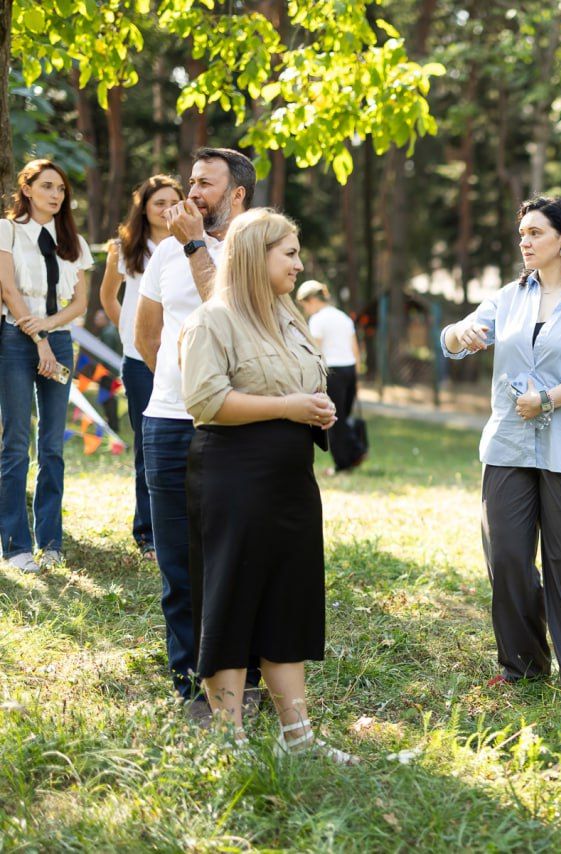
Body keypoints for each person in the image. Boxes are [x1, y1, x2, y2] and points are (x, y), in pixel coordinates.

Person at [180, 208, 353, 762]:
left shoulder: (288, 314)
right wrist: (287, 406)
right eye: (290, 254)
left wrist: (316, 409)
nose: (299, 265)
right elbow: (205, 402)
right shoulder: (214, 320)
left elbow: (305, 381)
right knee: (230, 602)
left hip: (290, 481)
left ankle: (298, 741)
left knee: (289, 604)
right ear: (256, 255)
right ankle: (229, 744)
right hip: (233, 479)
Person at [441, 196, 561, 699]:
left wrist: (545, 400)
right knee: (508, 557)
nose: (525, 241)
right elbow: (453, 339)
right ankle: (523, 666)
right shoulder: (508, 296)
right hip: (508, 446)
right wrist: (460, 333)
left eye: (536, 233)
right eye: (522, 234)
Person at [134, 147, 258, 720]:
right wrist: (177, 381)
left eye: (205, 184)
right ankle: (191, 689)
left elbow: (233, 318)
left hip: (231, 426)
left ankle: (245, 681)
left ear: (236, 194)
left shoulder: (253, 248)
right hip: (166, 420)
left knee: (236, 560)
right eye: (191, 181)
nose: (192, 192)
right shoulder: (163, 249)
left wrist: (193, 245)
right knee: (178, 567)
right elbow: (146, 336)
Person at [0, 159, 93, 573]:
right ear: (28, 187)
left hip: (58, 338)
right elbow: (7, 287)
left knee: (52, 446)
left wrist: (50, 330)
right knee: (16, 443)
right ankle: (15, 545)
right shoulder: (7, 230)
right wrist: (37, 338)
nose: (56, 195)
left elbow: (80, 303)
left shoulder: (73, 239)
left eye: (61, 190)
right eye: (48, 186)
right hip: (15, 339)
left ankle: (50, 540)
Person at [100, 174, 185, 559]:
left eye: (174, 201)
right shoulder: (124, 248)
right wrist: (130, 331)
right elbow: (108, 297)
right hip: (139, 362)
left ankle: (185, 525)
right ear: (144, 207)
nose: (167, 209)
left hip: (182, 359)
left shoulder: (190, 245)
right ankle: (147, 533)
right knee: (146, 446)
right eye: (158, 202)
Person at [297, 280, 363, 473]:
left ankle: (344, 462)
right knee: (343, 417)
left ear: (312, 300)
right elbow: (355, 349)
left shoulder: (318, 320)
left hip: (332, 372)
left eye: (305, 305)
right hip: (349, 369)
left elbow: (314, 350)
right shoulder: (343, 317)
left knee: (332, 419)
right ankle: (353, 454)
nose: (306, 310)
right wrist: (356, 378)